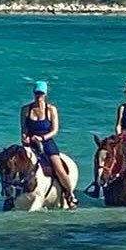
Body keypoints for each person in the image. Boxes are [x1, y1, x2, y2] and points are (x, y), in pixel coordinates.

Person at [22, 79, 78, 207]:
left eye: (41, 94)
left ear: (45, 94)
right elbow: (23, 129)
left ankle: (70, 194)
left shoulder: (51, 109)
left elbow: (55, 130)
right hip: (31, 143)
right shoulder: (26, 110)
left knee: (59, 169)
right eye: (37, 93)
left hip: (46, 142)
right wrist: (25, 138)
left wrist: (41, 138)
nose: (39, 96)